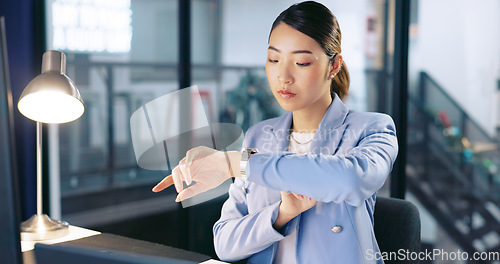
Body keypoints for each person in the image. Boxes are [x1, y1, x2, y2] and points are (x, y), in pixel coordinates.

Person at [153, 1, 398, 263]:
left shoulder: (373, 128)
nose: (283, 75)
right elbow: (225, 244)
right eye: (274, 59)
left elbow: (349, 179)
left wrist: (233, 163)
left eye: (302, 62)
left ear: (334, 66)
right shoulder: (259, 136)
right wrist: (281, 214)